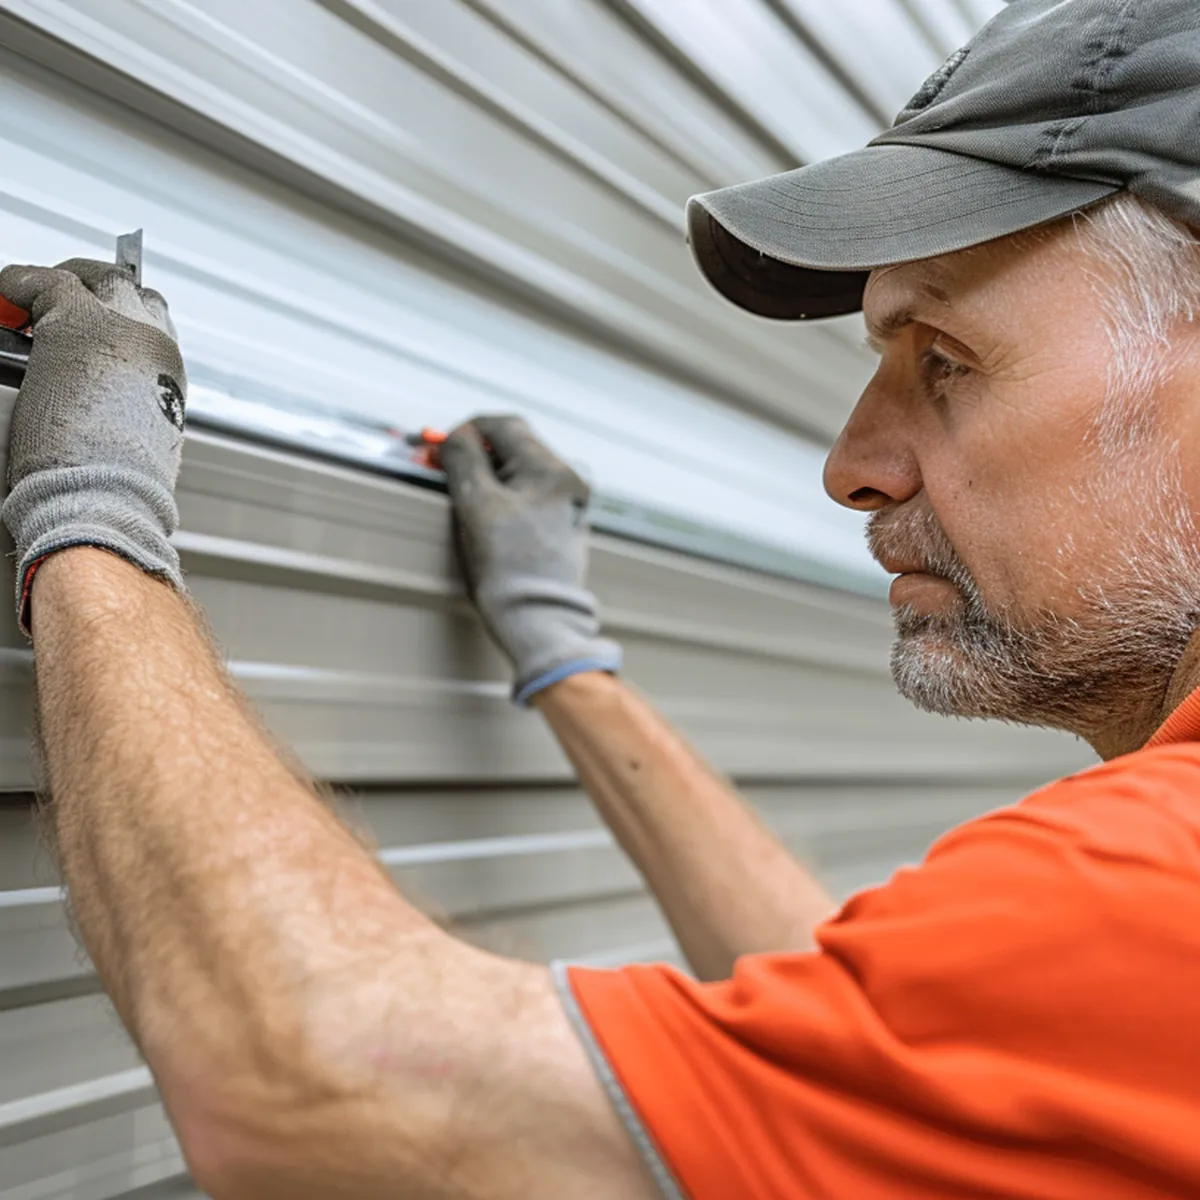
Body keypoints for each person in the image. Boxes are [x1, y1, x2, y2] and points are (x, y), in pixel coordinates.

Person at [5, 0, 1200, 1195]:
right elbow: (875, 1049)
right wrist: (564, 653)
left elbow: (324, 1080)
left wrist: (90, 509)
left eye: (946, 358)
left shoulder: (1156, 897)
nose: (849, 465)